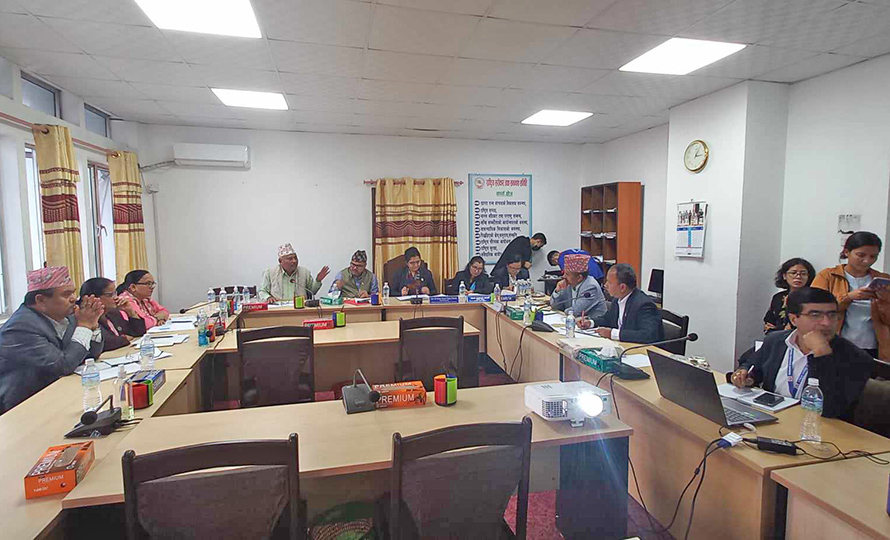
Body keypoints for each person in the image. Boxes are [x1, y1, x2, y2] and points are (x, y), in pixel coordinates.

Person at [729, 288, 873, 421]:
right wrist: (746, 375)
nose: (826, 323)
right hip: (775, 419)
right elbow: (753, 365)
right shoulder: (776, 341)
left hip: (820, 430)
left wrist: (822, 355)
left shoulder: (856, 357)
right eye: (815, 315)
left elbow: (829, 409)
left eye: (832, 314)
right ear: (793, 319)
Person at [0, 267, 104, 415]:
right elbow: (63, 365)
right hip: (24, 406)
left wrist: (93, 325)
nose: (74, 299)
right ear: (41, 300)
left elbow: (91, 354)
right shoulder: (21, 327)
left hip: (59, 394)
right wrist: (85, 326)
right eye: (66, 294)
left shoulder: (67, 316)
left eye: (73, 292)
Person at [812, 232, 890, 359]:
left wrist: (883, 300)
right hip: (834, 345)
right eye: (861, 255)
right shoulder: (828, 276)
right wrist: (848, 297)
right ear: (847, 252)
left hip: (874, 347)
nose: (867, 261)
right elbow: (814, 309)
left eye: (873, 256)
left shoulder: (883, 279)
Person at [583, 263, 664, 343]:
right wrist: (590, 323)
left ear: (622, 287)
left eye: (609, 282)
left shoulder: (644, 305)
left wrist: (613, 334)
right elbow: (607, 319)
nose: (605, 285)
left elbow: (648, 335)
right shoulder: (617, 299)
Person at [79, 277, 146, 353]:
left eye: (115, 293)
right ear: (92, 298)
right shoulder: (86, 317)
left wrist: (131, 312)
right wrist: (124, 339)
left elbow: (138, 332)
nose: (116, 297)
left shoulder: (113, 313)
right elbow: (106, 342)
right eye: (110, 295)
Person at [259, 243, 330, 303]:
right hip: (278, 309)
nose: (294, 261)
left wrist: (318, 280)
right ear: (280, 261)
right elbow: (262, 291)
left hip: (300, 309)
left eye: (295, 258)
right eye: (290, 259)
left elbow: (311, 292)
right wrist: (268, 297)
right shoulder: (270, 273)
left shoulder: (305, 272)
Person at [764, 258, 816, 334]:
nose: (798, 276)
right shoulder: (778, 297)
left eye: (803, 273)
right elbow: (769, 322)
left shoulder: (813, 297)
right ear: (784, 276)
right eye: (793, 273)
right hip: (777, 337)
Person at [549, 253, 607, 318]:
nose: (563, 276)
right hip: (573, 321)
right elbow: (554, 306)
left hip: (592, 322)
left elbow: (576, 312)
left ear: (579, 277)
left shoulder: (591, 287)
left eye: (567, 274)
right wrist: (557, 291)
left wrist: (565, 311)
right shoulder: (568, 284)